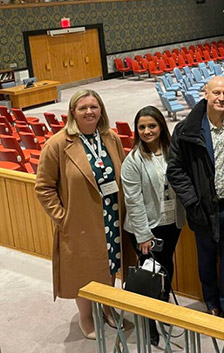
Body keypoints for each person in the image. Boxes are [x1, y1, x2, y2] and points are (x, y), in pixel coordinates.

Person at [35, 89, 134, 339]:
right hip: (80, 221)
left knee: (110, 263)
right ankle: (86, 317)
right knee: (84, 270)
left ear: (101, 110)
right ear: (72, 112)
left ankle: (108, 308)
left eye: (94, 107)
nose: (89, 112)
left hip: (111, 216)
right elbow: (43, 187)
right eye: (83, 108)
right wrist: (63, 217)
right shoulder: (58, 144)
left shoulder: (109, 137)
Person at [167, 76, 224, 321]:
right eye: (217, 93)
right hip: (202, 207)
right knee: (206, 259)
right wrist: (192, 202)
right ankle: (211, 303)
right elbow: (175, 170)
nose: (222, 98)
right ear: (205, 94)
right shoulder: (186, 129)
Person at [121, 106, 185, 346]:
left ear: (161, 127)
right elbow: (134, 201)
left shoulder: (171, 152)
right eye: (142, 127)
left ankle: (161, 308)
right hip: (146, 228)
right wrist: (143, 235)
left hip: (171, 222)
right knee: (149, 274)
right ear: (137, 130)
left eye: (152, 126)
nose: (147, 131)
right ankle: (148, 322)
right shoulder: (133, 161)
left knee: (166, 267)